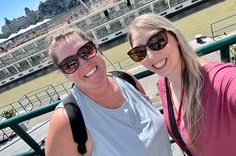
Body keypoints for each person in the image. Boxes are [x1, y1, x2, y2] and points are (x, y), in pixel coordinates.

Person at [45, 27, 173, 156]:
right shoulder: (66, 119)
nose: (84, 64)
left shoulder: (127, 79)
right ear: (64, 72)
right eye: (70, 63)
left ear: (96, 48)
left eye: (85, 51)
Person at [127, 13, 236, 156]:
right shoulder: (163, 85)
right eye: (139, 52)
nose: (151, 56)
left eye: (157, 42)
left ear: (176, 37)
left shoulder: (222, 80)